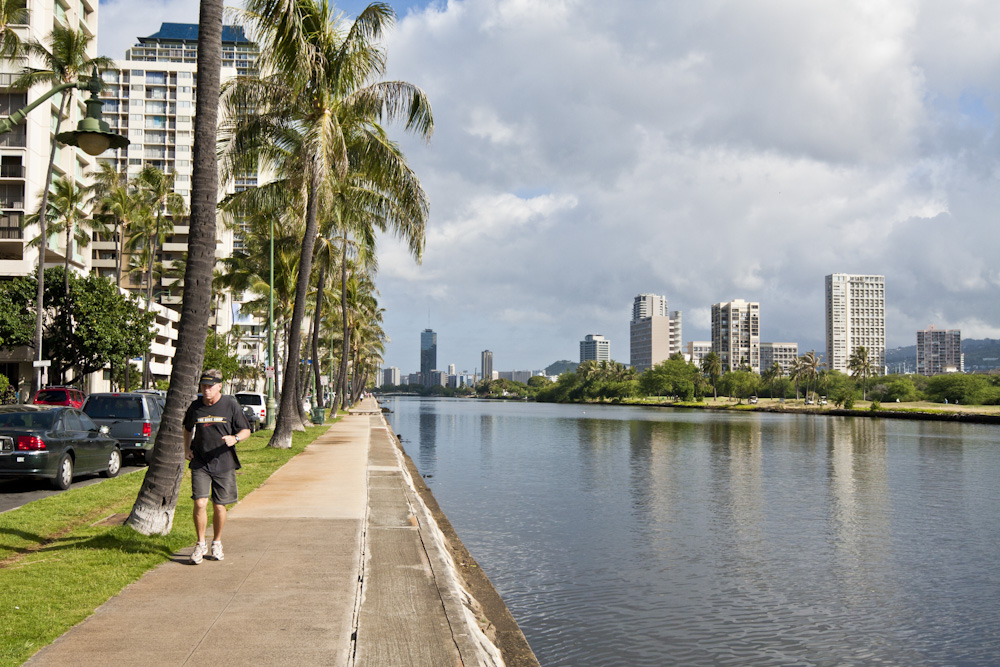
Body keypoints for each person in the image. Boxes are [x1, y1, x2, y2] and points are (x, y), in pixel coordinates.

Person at [184, 369, 251, 564]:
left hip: (223, 461)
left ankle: (217, 542)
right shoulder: (195, 407)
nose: (206, 390)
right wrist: (186, 448)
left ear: (219, 386)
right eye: (204, 386)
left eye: (210, 386)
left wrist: (235, 438)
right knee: (199, 503)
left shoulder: (230, 404)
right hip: (200, 462)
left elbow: (246, 430)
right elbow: (187, 428)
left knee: (219, 505)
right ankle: (200, 544)